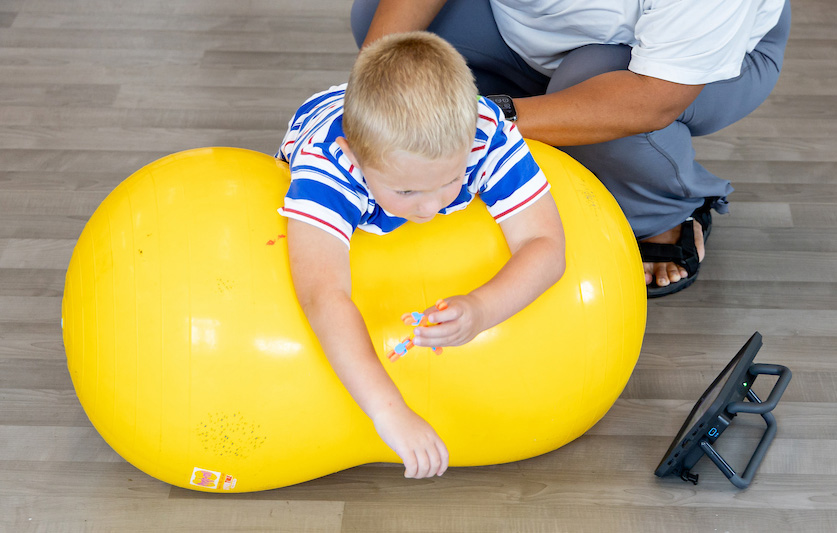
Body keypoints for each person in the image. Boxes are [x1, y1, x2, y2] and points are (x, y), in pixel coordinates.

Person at [351, 0, 791, 297]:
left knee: (593, 82)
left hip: (680, 66)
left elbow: (655, 96)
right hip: (524, 31)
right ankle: (532, 123)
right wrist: (371, 89)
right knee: (393, 37)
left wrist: (479, 118)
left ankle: (664, 211)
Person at [277, 32, 566, 478]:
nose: (429, 209)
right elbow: (323, 295)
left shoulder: (485, 131)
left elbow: (545, 247)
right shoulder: (329, 166)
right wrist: (390, 412)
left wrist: (481, 308)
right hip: (320, 128)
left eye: (450, 181)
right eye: (407, 190)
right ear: (354, 156)